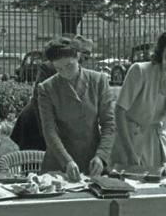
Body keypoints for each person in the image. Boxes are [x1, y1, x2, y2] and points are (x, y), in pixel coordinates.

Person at [111, 31, 166, 168]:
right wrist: (130, 153)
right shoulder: (139, 71)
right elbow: (119, 111)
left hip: (159, 143)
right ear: (160, 53)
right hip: (130, 140)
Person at [37, 37, 115, 180]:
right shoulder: (46, 88)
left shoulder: (99, 81)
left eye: (69, 66)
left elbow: (109, 124)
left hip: (93, 160)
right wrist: (67, 161)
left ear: (78, 56)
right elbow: (49, 131)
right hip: (58, 163)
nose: (65, 72)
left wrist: (101, 156)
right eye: (59, 69)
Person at [10, 35, 93, 150]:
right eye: (83, 54)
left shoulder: (81, 74)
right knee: (32, 162)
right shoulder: (49, 68)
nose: (84, 59)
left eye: (88, 57)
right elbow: (39, 100)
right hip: (35, 123)